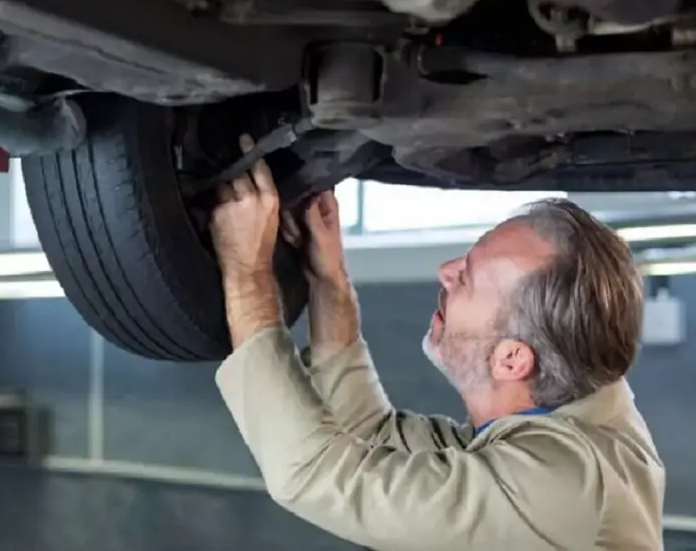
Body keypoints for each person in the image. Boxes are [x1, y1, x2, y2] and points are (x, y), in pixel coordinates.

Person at [209, 136, 664, 551]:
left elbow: (316, 475)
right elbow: (372, 439)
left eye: (467, 279)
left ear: (512, 359)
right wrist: (330, 283)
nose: (445, 270)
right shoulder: (573, 409)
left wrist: (247, 274)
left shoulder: (563, 485)